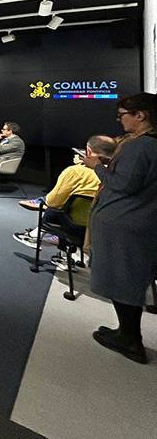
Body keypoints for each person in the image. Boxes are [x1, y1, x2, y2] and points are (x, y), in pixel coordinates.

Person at [86, 93, 157, 364]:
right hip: (137, 222)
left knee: (123, 280)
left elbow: (125, 184)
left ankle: (130, 339)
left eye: (123, 114)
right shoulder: (144, 145)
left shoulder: (140, 146)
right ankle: (128, 334)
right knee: (128, 279)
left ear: (141, 115)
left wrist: (97, 168)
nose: (120, 120)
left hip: (125, 223)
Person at [13, 135, 115, 254]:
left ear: (88, 151)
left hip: (70, 224)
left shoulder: (75, 172)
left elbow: (53, 202)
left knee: (56, 205)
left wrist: (79, 167)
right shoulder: (118, 176)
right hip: (101, 227)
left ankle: (35, 236)